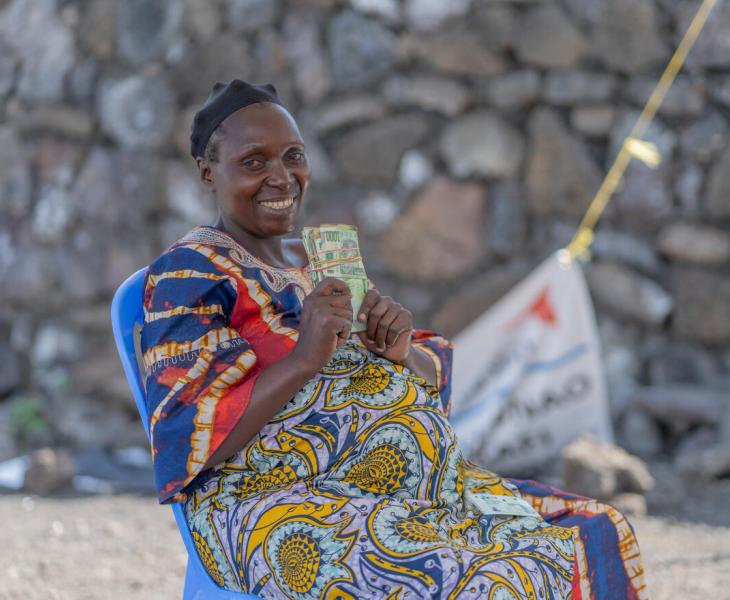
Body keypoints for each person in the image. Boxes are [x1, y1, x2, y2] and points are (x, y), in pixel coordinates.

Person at [140, 80, 647, 599]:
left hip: (417, 488)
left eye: (293, 156)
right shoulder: (188, 275)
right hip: (277, 501)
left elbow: (430, 379)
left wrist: (399, 350)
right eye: (253, 162)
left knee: (593, 532)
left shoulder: (317, 260)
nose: (281, 177)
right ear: (208, 172)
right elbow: (187, 434)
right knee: (482, 578)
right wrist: (302, 359)